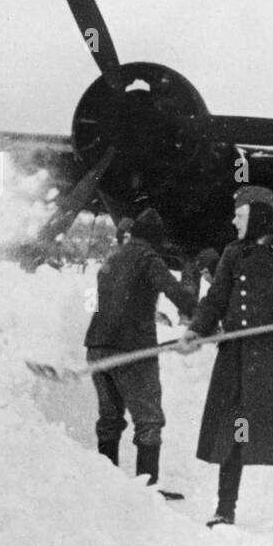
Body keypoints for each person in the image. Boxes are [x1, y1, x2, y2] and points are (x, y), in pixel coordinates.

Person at [177, 186, 273, 527]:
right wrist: (196, 330)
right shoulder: (233, 254)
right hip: (238, 360)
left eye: (240, 215)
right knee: (236, 431)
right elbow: (216, 300)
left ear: (259, 216)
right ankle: (225, 509)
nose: (234, 221)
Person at [84, 208, 197, 497]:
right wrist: (202, 314)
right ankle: (147, 491)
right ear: (155, 240)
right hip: (132, 351)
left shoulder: (111, 259)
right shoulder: (148, 259)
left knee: (110, 418)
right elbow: (178, 294)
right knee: (148, 420)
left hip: (97, 348)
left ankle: (105, 484)